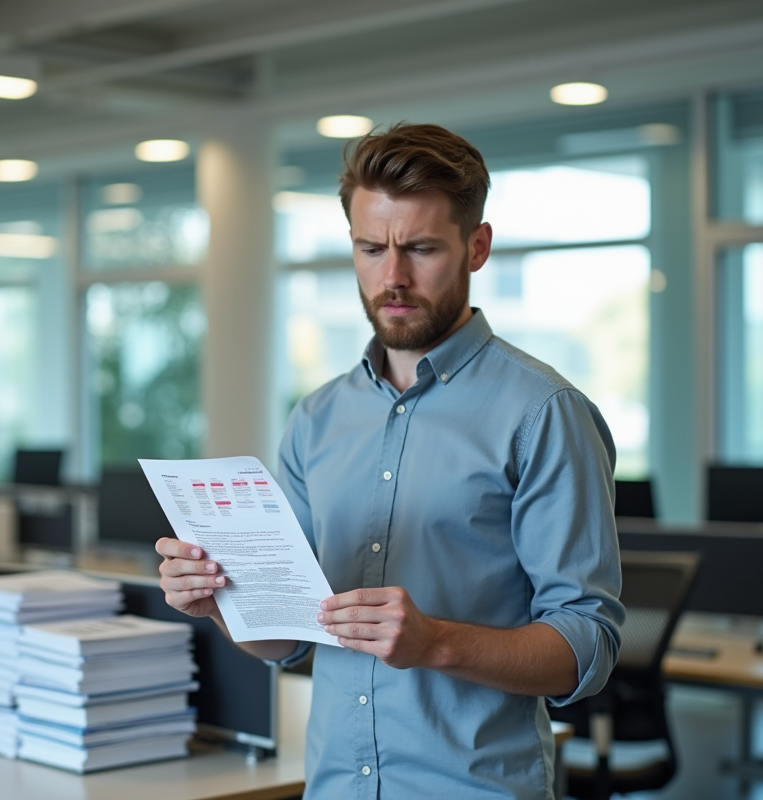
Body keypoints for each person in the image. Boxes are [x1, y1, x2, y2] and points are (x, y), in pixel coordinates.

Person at [156, 123, 625, 799]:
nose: (392, 277)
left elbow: (587, 645)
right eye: (370, 248)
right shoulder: (318, 417)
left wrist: (436, 643)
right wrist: (220, 605)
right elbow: (287, 637)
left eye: (422, 249)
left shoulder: (543, 412)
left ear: (478, 247)